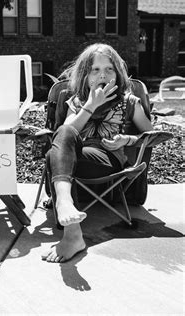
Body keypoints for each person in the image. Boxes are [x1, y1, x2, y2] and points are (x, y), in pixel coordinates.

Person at [41, 43, 153, 263]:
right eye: (95, 69)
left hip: (107, 160)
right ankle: (70, 222)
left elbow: (153, 136)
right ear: (85, 75)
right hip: (73, 160)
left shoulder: (130, 102)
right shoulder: (76, 102)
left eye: (109, 69)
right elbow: (66, 134)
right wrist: (90, 105)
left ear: (118, 74)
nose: (103, 74)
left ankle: (65, 212)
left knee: (54, 153)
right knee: (63, 133)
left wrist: (127, 139)